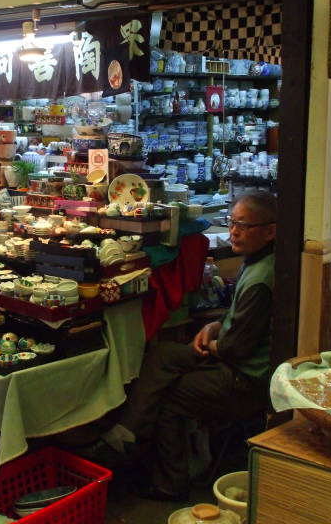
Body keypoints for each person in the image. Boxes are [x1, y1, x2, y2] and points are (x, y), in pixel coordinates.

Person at [86, 191, 276, 500]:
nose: (234, 232)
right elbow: (236, 319)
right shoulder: (259, 261)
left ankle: (168, 482)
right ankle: (125, 437)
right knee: (161, 356)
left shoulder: (261, 276)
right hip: (232, 353)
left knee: (172, 394)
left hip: (245, 375)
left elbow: (234, 348)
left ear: (271, 231)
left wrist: (212, 343)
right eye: (232, 222)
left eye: (244, 225)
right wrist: (213, 326)